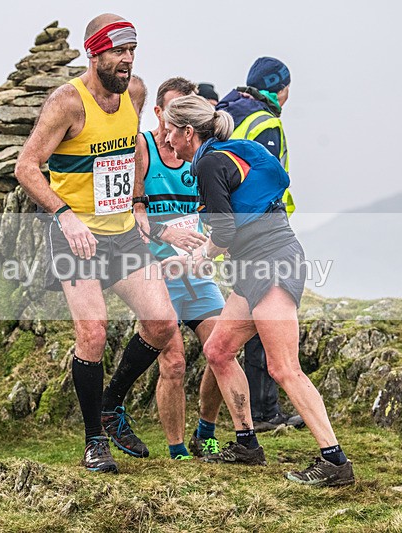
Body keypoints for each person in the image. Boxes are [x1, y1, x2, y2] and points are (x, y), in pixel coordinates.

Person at [161, 94, 354, 487]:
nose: (165, 138)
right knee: (217, 350)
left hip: (272, 263)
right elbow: (230, 227)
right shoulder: (221, 154)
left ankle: (335, 462)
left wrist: (198, 257)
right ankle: (247, 443)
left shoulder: (211, 162)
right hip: (253, 266)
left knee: (284, 368)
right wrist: (200, 254)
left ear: (187, 132)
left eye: (168, 130)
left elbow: (226, 231)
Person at [15, 14, 179, 474]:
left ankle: (111, 404)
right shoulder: (67, 103)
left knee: (163, 322)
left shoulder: (137, 93)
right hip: (77, 236)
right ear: (95, 53)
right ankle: (93, 441)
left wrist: (140, 201)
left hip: (123, 230)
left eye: (132, 52)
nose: (127, 61)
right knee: (93, 333)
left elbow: (134, 151)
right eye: (118, 52)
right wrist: (64, 216)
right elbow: (27, 166)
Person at [133, 77, 235, 461]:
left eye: (185, 114)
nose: (177, 123)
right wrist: (165, 233)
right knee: (173, 363)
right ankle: (177, 452)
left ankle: (205, 432)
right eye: (171, 112)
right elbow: (130, 211)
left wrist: (206, 249)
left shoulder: (201, 156)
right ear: (159, 112)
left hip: (195, 271)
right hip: (155, 271)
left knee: (221, 349)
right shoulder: (143, 148)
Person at [215, 57, 303, 432]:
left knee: (235, 334)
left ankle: (252, 418)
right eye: (286, 88)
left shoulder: (230, 108)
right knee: (264, 328)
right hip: (262, 234)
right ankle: (266, 411)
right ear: (277, 87)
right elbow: (263, 177)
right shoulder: (266, 121)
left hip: (235, 233)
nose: (287, 96)